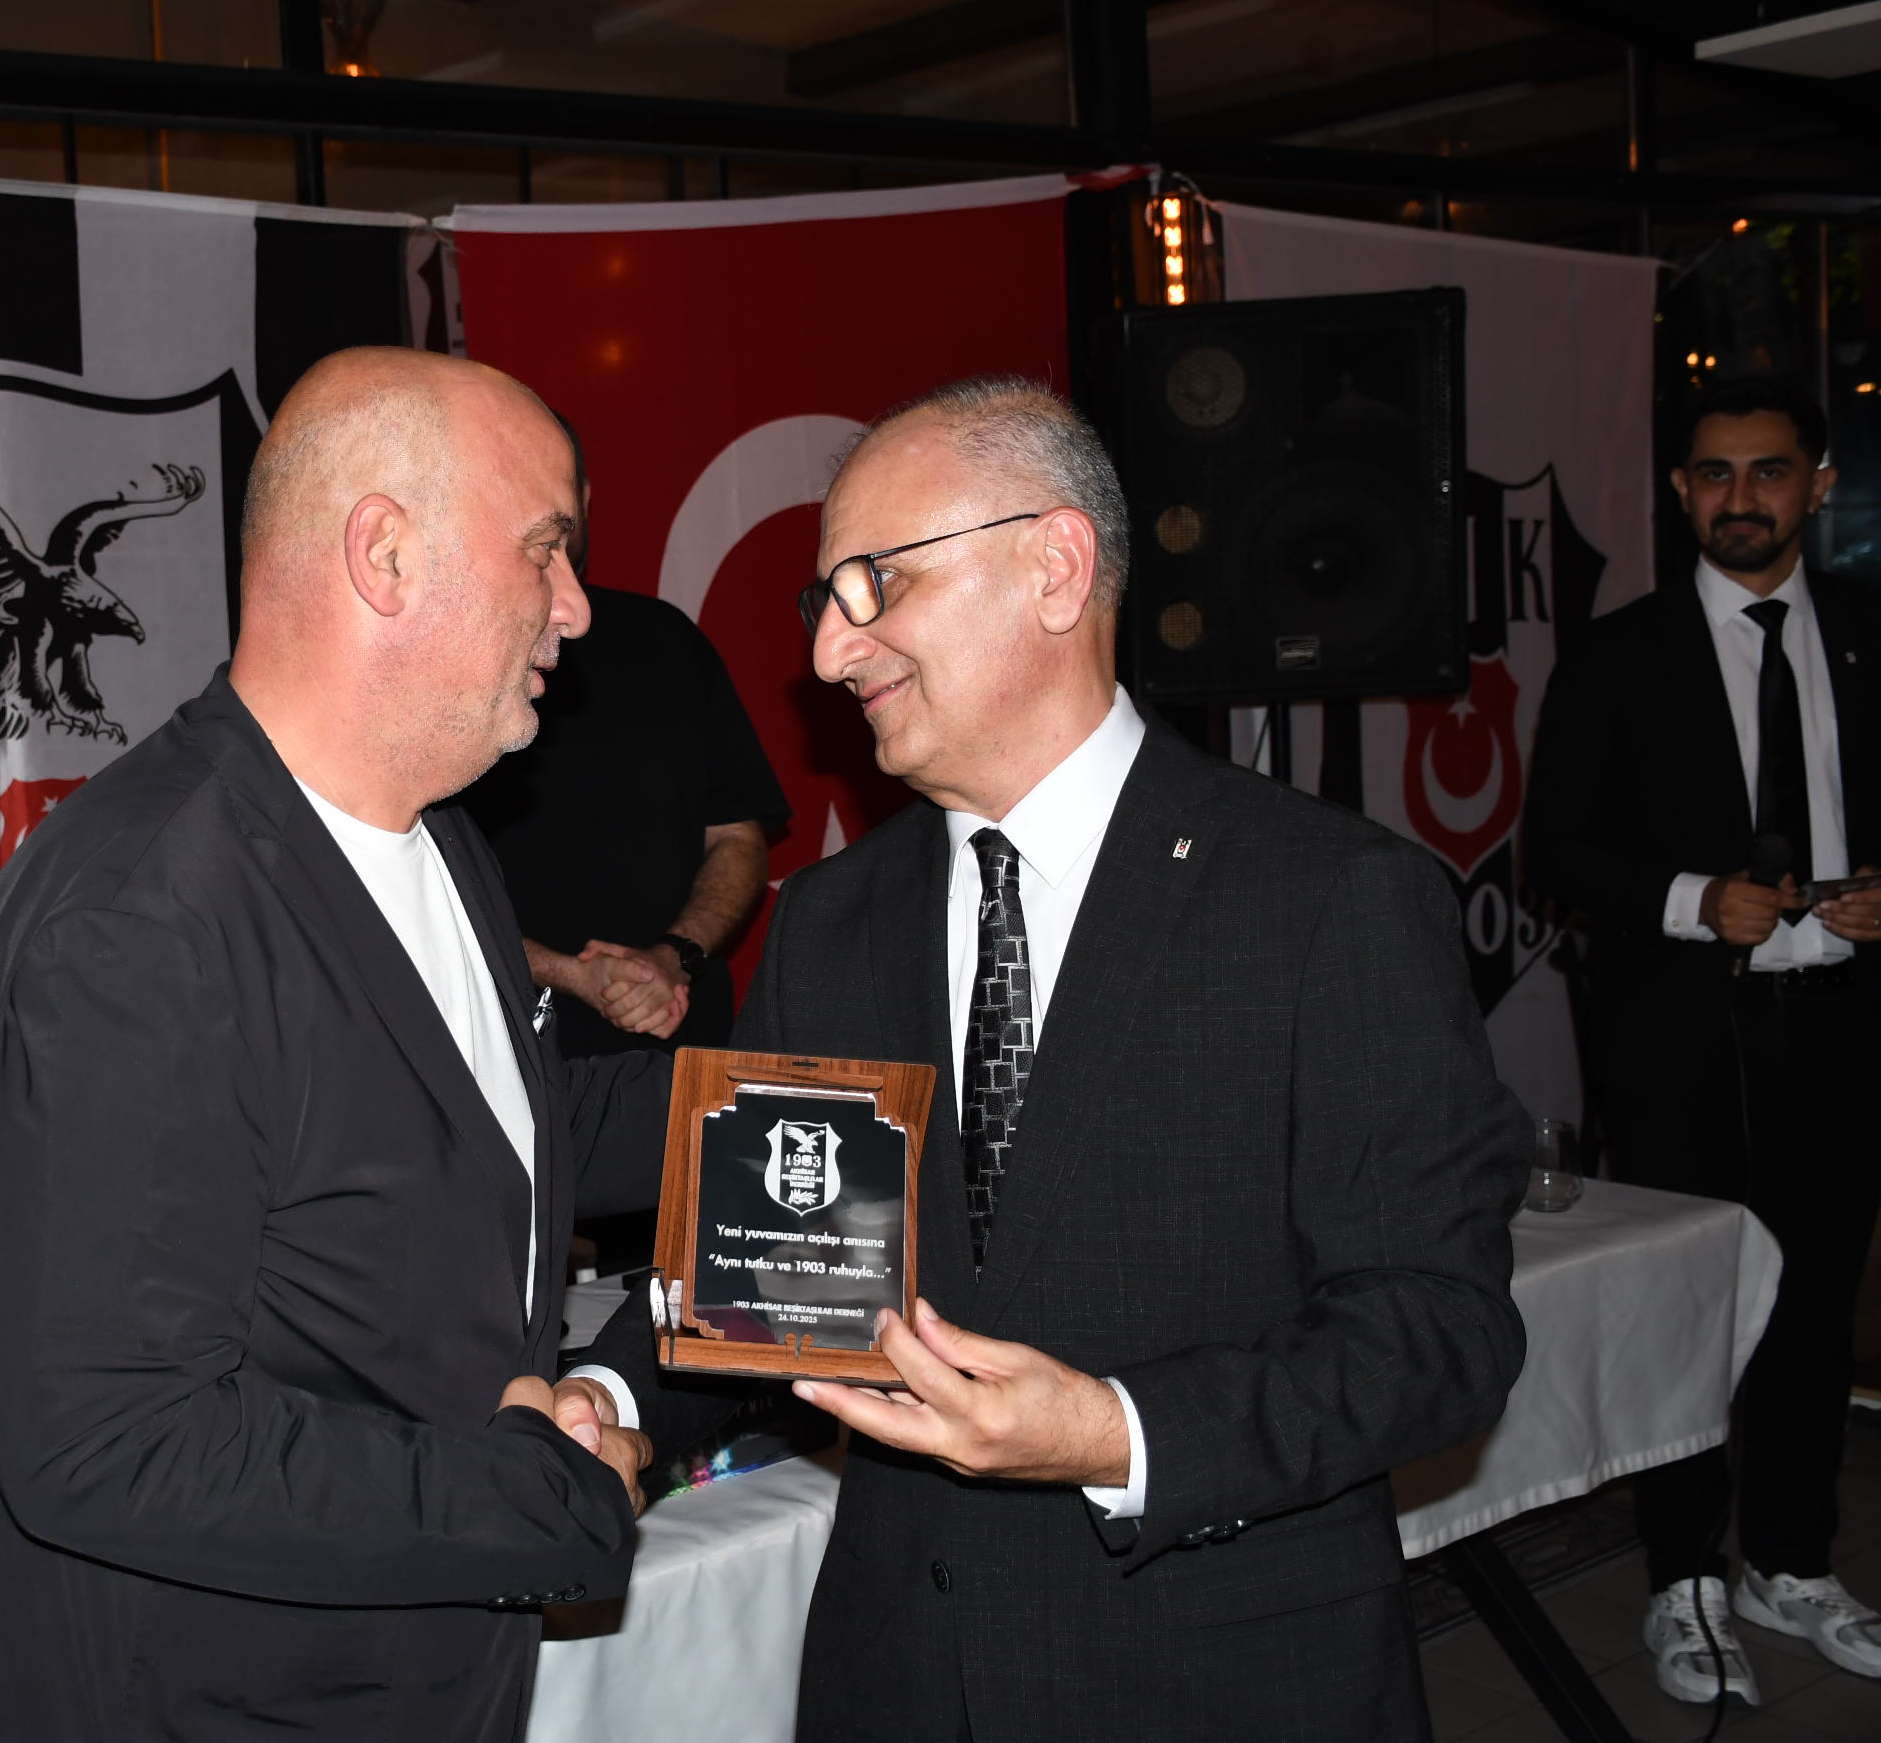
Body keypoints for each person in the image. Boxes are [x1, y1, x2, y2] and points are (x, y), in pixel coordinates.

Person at [572, 375, 1527, 1739]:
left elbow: (1439, 1332)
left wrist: (1115, 1431)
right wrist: (605, 1395)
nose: (832, 653)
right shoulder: (831, 923)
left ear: (1055, 567)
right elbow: (760, 1273)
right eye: (821, 603)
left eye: (874, 585)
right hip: (903, 1678)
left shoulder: (1327, 899)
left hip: (1217, 1685)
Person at [0, 347, 669, 1741]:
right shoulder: (138, 917)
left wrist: (786, 1112)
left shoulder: (434, 837)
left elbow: (477, 1136)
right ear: (384, 554)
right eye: (545, 549)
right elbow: (111, 1438)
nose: (573, 605)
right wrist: (529, 1497)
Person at [1525, 376, 1881, 1705]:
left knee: (1812, 1310)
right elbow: (1556, 847)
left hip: (1840, 1027)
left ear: (1818, 484)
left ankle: (1792, 1561)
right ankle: (1683, 1577)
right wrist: (1689, 899)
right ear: (1682, 492)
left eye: (1769, 471)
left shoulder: (1870, 632)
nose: (1743, 497)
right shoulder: (1622, 651)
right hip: (1680, 1036)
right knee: (1685, 1314)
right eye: (1716, 474)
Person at [460, 415, 788, 1056]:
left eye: (562, 508)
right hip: (503, 1052)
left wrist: (674, 957)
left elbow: (737, 837)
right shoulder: (448, 668)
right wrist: (568, 974)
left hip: (680, 1047)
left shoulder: (669, 641)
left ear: (585, 498)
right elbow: (418, 882)